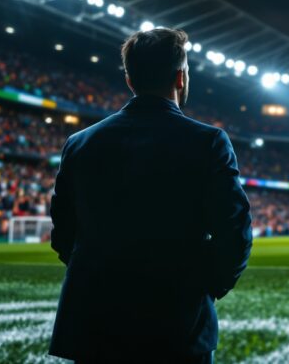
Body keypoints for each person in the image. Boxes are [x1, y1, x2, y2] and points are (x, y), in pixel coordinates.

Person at [48, 28, 252, 363]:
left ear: (129, 80)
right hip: (177, 326)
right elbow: (235, 234)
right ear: (181, 77)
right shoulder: (209, 142)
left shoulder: (80, 144)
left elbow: (64, 234)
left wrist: (104, 279)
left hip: (93, 324)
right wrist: (205, 287)